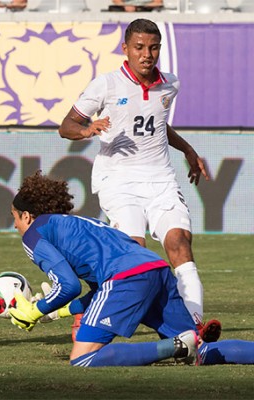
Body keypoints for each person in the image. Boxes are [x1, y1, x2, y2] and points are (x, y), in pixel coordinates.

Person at [58, 18, 221, 343]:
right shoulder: (105, 85)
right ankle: (85, 310)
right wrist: (87, 130)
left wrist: (188, 150)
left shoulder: (170, 84)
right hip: (118, 180)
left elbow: (157, 125)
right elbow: (66, 125)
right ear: (126, 49)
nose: (147, 54)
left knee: (179, 244)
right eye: (140, 48)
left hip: (160, 179)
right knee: (136, 255)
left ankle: (194, 330)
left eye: (153, 47)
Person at [8, 171, 254, 367]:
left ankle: (176, 346)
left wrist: (35, 310)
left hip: (128, 277)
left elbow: (68, 285)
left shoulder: (34, 234)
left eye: (15, 217)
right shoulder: (81, 224)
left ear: (27, 216)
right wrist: (58, 312)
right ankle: (188, 344)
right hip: (156, 270)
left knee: (83, 358)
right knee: (201, 351)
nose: (15, 225)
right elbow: (100, 294)